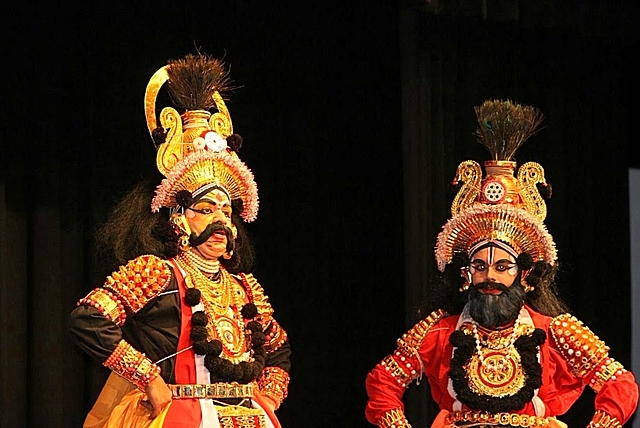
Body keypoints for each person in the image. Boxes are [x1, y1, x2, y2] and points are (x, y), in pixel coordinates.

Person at [365, 100, 638, 427]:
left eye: (502, 267)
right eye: (479, 266)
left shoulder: (557, 332)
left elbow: (620, 384)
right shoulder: (439, 330)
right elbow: (383, 382)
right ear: (465, 273)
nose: (489, 276)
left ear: (525, 273)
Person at [69, 53, 291, 428]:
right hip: (180, 416)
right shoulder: (155, 273)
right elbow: (89, 320)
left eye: (228, 212)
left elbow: (278, 348)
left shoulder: (244, 288)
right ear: (178, 218)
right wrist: (150, 379)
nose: (221, 221)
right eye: (207, 209)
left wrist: (269, 395)